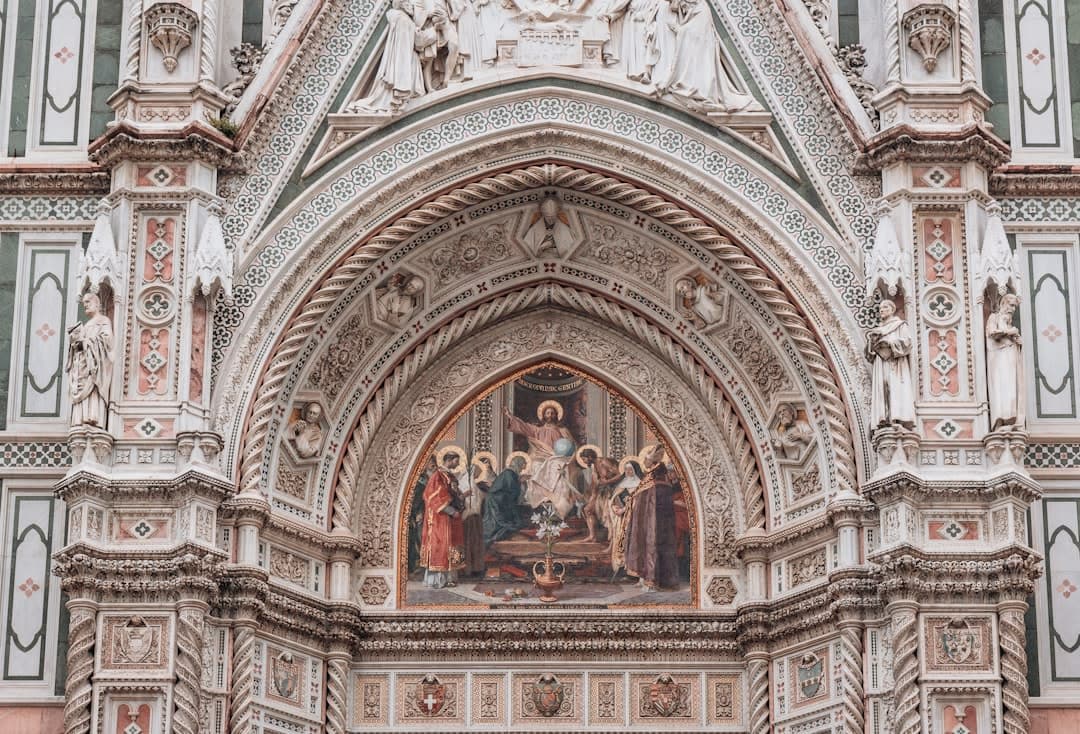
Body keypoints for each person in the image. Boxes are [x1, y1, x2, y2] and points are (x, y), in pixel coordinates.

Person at [653, 0, 753, 112]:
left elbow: (693, 33)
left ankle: (703, 94)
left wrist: (678, 29)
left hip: (701, 58)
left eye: (683, 6)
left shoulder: (702, 11)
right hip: (695, 54)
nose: (683, 9)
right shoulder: (694, 12)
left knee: (703, 70)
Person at [347, 0, 427, 113]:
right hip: (403, 65)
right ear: (401, 4)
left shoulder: (405, 19)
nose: (411, 6)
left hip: (408, 60)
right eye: (407, 2)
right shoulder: (402, 19)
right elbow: (403, 49)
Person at [622, 445, 678, 591]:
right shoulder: (650, 475)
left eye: (647, 459)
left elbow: (654, 496)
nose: (644, 463)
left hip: (655, 516)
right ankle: (643, 576)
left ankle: (652, 580)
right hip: (646, 517)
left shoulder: (658, 473)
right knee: (644, 541)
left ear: (653, 460)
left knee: (653, 541)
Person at [420, 449, 470, 588]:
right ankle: (437, 581)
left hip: (451, 519)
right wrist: (451, 510)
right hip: (440, 518)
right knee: (440, 546)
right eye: (456, 460)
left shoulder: (449, 476)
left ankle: (449, 579)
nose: (458, 463)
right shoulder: (438, 476)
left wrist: (461, 500)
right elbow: (433, 497)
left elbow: (455, 494)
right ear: (449, 460)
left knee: (451, 547)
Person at [865, 299, 916, 431]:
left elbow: (907, 343)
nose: (881, 310)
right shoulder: (877, 330)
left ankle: (896, 418)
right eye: (880, 308)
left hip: (894, 363)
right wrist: (871, 344)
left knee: (894, 387)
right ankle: (884, 419)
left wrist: (889, 343)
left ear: (892, 310)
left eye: (885, 307)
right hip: (880, 364)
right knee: (883, 388)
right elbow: (870, 355)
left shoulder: (899, 325)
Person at [67, 292, 114, 428]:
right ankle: (80, 419)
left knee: (93, 389)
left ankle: (93, 417)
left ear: (97, 304)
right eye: (84, 303)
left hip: (94, 366)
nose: (85, 305)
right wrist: (75, 343)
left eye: (88, 302)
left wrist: (87, 343)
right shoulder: (86, 325)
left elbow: (108, 342)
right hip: (82, 365)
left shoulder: (104, 321)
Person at [986, 293, 1025, 430]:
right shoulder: (994, 317)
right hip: (998, 357)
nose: (1013, 309)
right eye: (1011, 305)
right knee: (1000, 387)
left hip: (1010, 356)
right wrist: (1010, 332)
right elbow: (992, 333)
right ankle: (999, 421)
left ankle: (1011, 420)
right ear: (1003, 303)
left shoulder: (1009, 323)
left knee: (1011, 388)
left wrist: (1018, 342)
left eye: (1015, 306)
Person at [576, 446, 622, 543]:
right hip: (602, 493)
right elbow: (595, 485)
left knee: (609, 514)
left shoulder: (604, 462)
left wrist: (608, 481)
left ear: (589, 457)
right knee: (587, 509)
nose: (584, 462)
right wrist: (591, 498)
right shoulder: (594, 467)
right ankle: (592, 536)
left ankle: (613, 539)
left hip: (614, 491)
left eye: (584, 459)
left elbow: (621, 473)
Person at [504, 400, 574, 462]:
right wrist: (510, 416)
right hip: (540, 458)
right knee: (536, 463)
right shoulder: (537, 430)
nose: (550, 415)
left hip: (557, 459)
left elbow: (571, 446)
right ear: (544, 416)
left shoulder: (563, 431)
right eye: (548, 413)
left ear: (556, 415)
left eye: (552, 413)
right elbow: (523, 426)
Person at [608, 458, 643, 575]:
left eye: (630, 469)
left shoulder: (641, 485)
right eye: (626, 469)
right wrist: (615, 508)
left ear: (636, 470)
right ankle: (621, 569)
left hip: (636, 519)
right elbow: (612, 500)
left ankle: (635, 571)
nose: (628, 471)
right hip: (622, 520)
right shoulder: (621, 485)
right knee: (621, 543)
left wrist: (625, 508)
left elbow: (642, 503)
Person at [483, 454, 528, 544]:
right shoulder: (509, 473)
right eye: (523, 465)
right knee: (498, 523)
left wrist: (520, 482)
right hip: (496, 501)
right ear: (518, 464)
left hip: (500, 500)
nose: (523, 468)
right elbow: (512, 489)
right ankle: (492, 537)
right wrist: (520, 482)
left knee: (515, 519)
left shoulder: (511, 473)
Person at [408, 454, 438, 573]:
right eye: (429, 461)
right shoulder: (419, 479)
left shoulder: (435, 476)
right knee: (421, 539)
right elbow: (417, 497)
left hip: (433, 513)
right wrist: (417, 513)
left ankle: (430, 564)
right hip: (421, 513)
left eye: (433, 461)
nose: (432, 464)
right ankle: (421, 564)